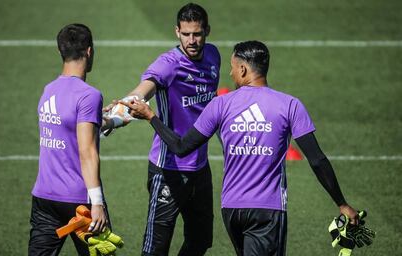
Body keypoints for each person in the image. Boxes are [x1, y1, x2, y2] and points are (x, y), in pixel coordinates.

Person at [126, 40, 359, 256]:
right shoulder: (290, 105)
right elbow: (317, 159)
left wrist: (151, 117)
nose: (230, 73)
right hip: (268, 210)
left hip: (232, 210)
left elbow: (180, 146)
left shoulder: (220, 104)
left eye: (233, 67)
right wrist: (342, 203)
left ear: (244, 70)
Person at [105, 3, 220, 255]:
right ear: (176, 31)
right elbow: (142, 91)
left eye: (197, 34)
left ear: (207, 31)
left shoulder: (213, 56)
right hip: (167, 169)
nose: (192, 40)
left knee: (200, 241)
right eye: (186, 34)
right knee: (155, 249)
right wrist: (114, 116)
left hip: (200, 168)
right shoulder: (168, 64)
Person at [29, 23, 110, 255]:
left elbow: (66, 129)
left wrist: (110, 122)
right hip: (79, 202)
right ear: (89, 51)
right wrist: (97, 203)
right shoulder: (89, 95)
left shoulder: (48, 91)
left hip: (44, 198)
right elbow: (87, 151)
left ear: (60, 51)